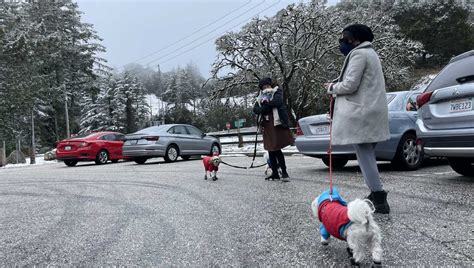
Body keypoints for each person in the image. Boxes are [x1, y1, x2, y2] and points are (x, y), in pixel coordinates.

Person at [325, 24, 391, 214]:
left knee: (365, 157)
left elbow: (350, 85)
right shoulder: (370, 53)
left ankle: (378, 197)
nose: (342, 41)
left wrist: (331, 87)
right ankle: (375, 193)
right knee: (366, 155)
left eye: (346, 37)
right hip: (371, 111)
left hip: (363, 113)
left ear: (357, 39)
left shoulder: (359, 54)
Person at [253, 77, 294, 182]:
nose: (266, 88)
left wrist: (265, 106)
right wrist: (264, 108)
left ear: (270, 85)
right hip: (266, 125)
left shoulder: (277, 91)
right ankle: (275, 173)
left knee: (277, 148)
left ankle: (284, 172)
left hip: (276, 123)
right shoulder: (260, 97)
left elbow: (278, 102)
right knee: (270, 150)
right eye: (263, 87)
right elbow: (255, 109)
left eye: (267, 86)